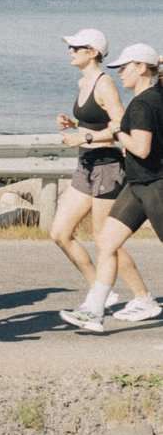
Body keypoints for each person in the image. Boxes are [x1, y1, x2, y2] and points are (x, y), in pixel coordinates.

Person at [51, 29, 157, 323]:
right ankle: (102, 291)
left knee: (105, 240)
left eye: (76, 47)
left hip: (107, 167)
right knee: (59, 233)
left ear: (93, 52)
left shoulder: (105, 83)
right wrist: (73, 123)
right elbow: (100, 122)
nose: (70, 51)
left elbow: (120, 125)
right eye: (70, 46)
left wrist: (84, 137)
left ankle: (140, 297)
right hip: (86, 165)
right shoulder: (83, 81)